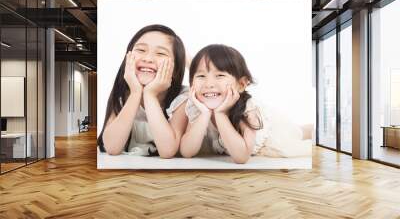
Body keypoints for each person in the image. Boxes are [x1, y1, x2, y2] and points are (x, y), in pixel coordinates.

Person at [180, 44, 311, 164]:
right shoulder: (197, 108)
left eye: (219, 75)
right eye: (201, 76)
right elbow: (187, 152)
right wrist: (204, 114)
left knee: (298, 132)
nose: (208, 84)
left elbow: (241, 157)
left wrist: (220, 114)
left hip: (274, 131)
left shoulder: (248, 109)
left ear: (241, 84)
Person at [98, 24, 188, 158]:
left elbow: (167, 151)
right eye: (141, 50)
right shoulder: (124, 92)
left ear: (176, 68)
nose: (147, 58)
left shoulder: (183, 97)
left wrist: (150, 95)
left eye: (160, 53)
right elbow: (112, 147)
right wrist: (135, 93)